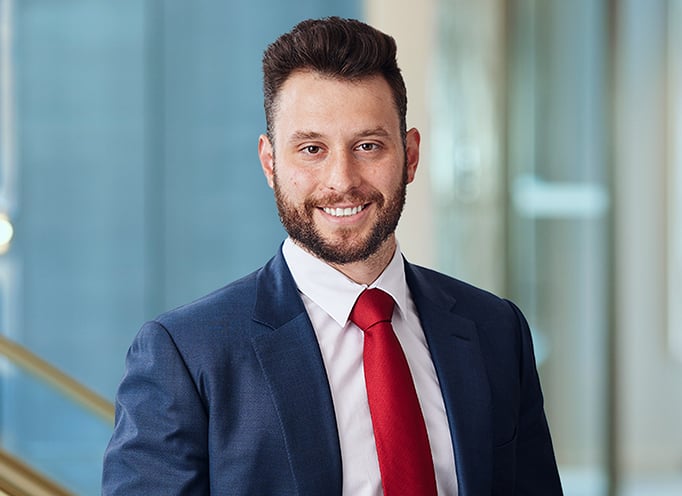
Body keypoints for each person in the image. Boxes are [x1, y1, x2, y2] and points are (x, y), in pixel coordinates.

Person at [102, 17, 563, 495]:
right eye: (311, 149)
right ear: (270, 163)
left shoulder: (495, 330)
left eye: (368, 146)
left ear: (409, 155)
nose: (342, 180)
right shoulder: (185, 354)